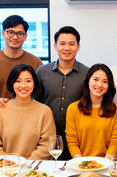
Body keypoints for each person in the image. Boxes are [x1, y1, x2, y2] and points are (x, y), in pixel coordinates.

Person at [34, 26, 89, 160]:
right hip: (46, 136)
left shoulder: (87, 73)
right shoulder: (42, 72)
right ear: (55, 45)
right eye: (62, 43)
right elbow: (34, 102)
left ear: (78, 46)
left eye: (71, 44)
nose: (66, 48)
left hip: (77, 138)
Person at [0, 64, 56, 160]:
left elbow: (47, 144)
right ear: (12, 84)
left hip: (35, 169)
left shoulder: (44, 111)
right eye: (18, 81)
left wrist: (27, 164)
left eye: (28, 81)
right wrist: (9, 164)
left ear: (34, 84)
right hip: (6, 168)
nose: (23, 85)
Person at [0, 15, 43, 104]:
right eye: (10, 32)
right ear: (3, 33)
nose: (15, 37)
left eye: (20, 33)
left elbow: (40, 96)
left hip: (29, 115)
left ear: (25, 36)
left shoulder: (36, 62)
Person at [65, 64, 117, 160]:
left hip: (106, 163)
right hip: (80, 163)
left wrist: (104, 163)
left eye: (105, 81)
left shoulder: (116, 110)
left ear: (109, 85)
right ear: (88, 81)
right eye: (95, 79)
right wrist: (82, 164)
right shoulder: (73, 108)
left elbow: (115, 141)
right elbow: (72, 141)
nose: (99, 85)